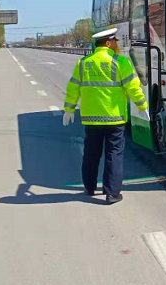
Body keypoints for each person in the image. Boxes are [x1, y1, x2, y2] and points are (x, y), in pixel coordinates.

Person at [62, 28, 148, 205]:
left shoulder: (84, 63)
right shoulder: (120, 62)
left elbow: (73, 88)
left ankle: (89, 187)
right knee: (114, 154)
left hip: (91, 119)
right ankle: (112, 194)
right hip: (114, 118)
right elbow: (133, 87)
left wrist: (69, 109)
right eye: (115, 41)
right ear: (108, 43)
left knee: (91, 154)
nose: (117, 44)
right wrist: (142, 106)